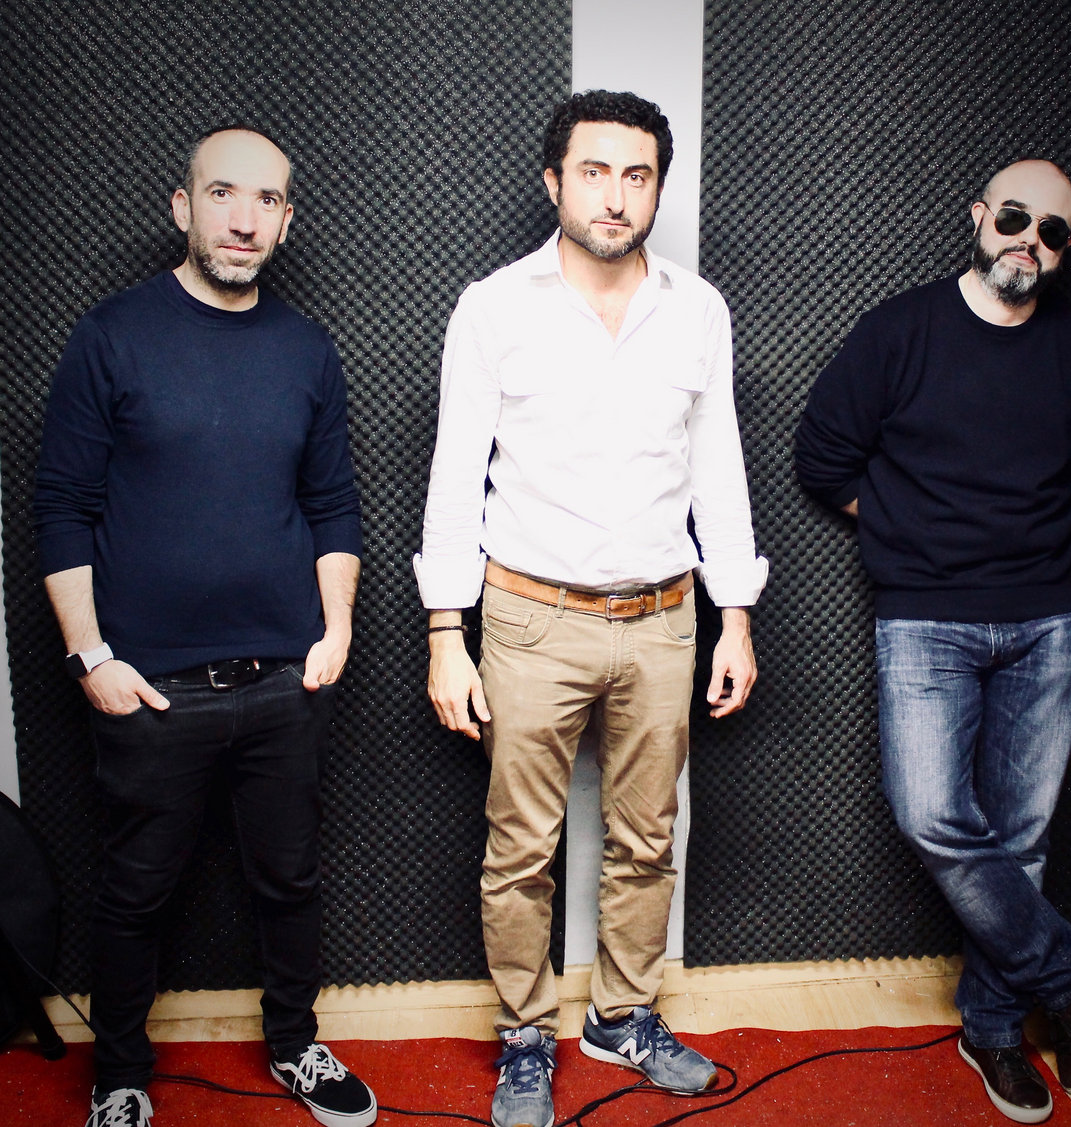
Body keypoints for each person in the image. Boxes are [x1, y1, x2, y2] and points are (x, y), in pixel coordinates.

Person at [414, 89, 768, 1127]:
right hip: (530, 618)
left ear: (658, 188)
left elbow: (719, 467)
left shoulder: (698, 310)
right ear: (555, 181)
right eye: (595, 171)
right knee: (520, 847)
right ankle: (526, 1033)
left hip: (664, 618)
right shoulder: (493, 307)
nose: (616, 195)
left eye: (638, 175)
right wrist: (445, 634)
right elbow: (453, 477)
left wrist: (735, 615)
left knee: (647, 836)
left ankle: (623, 1015)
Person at [33, 126, 376, 1127]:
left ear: (286, 220)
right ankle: (120, 1077)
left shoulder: (307, 350)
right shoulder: (111, 336)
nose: (243, 219)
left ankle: (295, 1045)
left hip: (286, 680)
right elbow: (62, 508)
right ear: (183, 207)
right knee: (135, 893)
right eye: (223, 194)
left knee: (289, 882)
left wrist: (335, 633)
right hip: (149, 688)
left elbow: (333, 505)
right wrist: (90, 655)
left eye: (266, 200)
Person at [795, 160, 1071, 1123]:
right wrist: (912, 533)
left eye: (1053, 231)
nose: (1030, 240)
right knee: (933, 816)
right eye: (1016, 218)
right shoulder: (900, 330)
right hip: (924, 618)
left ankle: (992, 1028)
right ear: (982, 216)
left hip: (1049, 622)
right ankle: (1067, 967)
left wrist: (1044, 533)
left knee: (1021, 837)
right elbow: (822, 455)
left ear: (1066, 249)